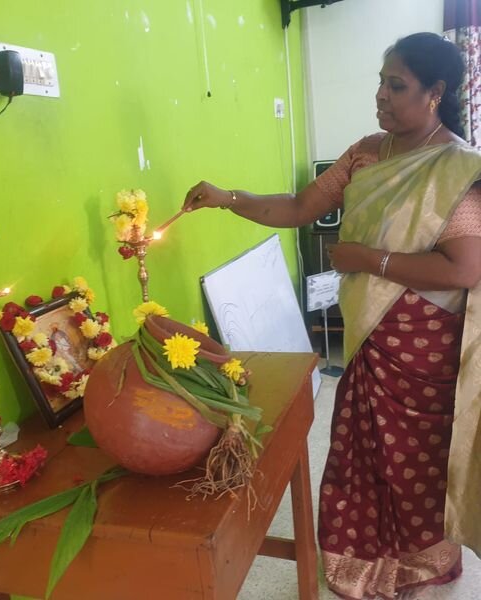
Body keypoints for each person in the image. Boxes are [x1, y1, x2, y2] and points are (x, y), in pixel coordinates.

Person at [182, 32, 481, 600]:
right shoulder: (366, 153)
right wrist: (229, 198)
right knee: (361, 455)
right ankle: (361, 559)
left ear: (435, 92)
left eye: (396, 85)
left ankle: (421, 562)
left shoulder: (458, 169)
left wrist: (367, 259)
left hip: (425, 348)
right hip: (371, 339)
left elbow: (464, 269)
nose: (381, 95)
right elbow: (300, 207)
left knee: (416, 462)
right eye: (381, 82)